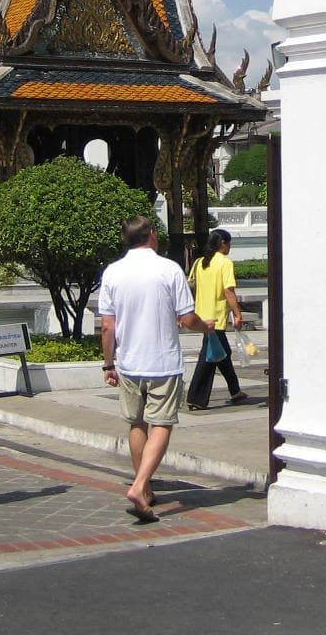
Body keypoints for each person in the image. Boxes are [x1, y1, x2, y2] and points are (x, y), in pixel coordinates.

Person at [98, 215, 212, 523]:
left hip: (129, 362)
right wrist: (206, 327)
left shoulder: (113, 272)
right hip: (162, 362)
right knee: (161, 423)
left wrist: (109, 363)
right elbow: (187, 318)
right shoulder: (169, 269)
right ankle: (139, 486)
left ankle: (145, 488)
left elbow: (107, 325)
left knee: (137, 423)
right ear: (150, 235)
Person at [185, 229, 249, 411]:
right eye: (229, 243)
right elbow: (229, 291)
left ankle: (235, 390)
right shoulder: (225, 263)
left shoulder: (199, 262)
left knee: (223, 353)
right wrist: (238, 314)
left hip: (201, 314)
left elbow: (192, 285)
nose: (229, 247)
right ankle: (196, 397)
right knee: (209, 357)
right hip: (216, 317)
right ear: (223, 244)